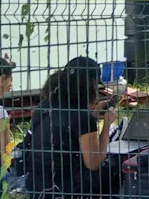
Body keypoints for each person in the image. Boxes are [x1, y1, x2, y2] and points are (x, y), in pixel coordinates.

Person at [24, 56, 118, 198]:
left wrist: (92, 115)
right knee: (115, 171)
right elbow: (94, 163)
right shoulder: (82, 117)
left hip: (38, 188)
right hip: (68, 190)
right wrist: (106, 125)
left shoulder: (43, 107)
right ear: (89, 86)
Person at [0, 55, 14, 156]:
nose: (11, 84)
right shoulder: (0, 113)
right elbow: (4, 152)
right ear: (2, 79)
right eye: (10, 79)